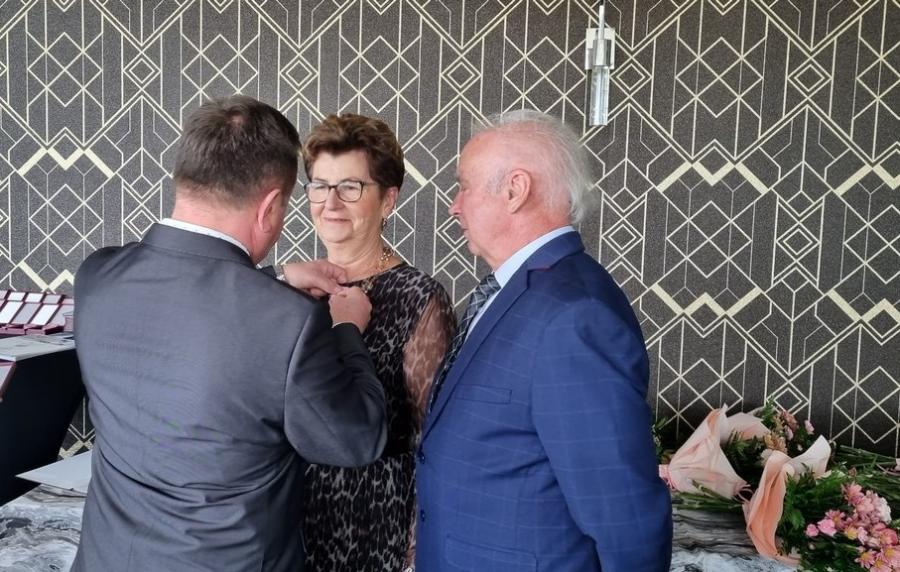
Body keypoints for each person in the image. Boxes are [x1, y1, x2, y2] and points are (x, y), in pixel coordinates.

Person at [71, 96, 387, 572]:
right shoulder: (291, 322)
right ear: (270, 207)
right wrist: (346, 329)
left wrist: (276, 279)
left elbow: (195, 306)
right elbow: (355, 440)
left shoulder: (98, 276)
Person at [415, 110, 673, 572]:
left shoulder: (574, 315)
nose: (454, 206)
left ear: (515, 190)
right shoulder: (519, 291)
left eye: (464, 186)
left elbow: (625, 515)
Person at [287, 113, 455, 572]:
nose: (330, 203)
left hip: (375, 528)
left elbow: (434, 440)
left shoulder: (418, 297)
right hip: (288, 527)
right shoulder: (292, 291)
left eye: (350, 187)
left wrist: (417, 554)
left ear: (388, 200)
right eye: (320, 186)